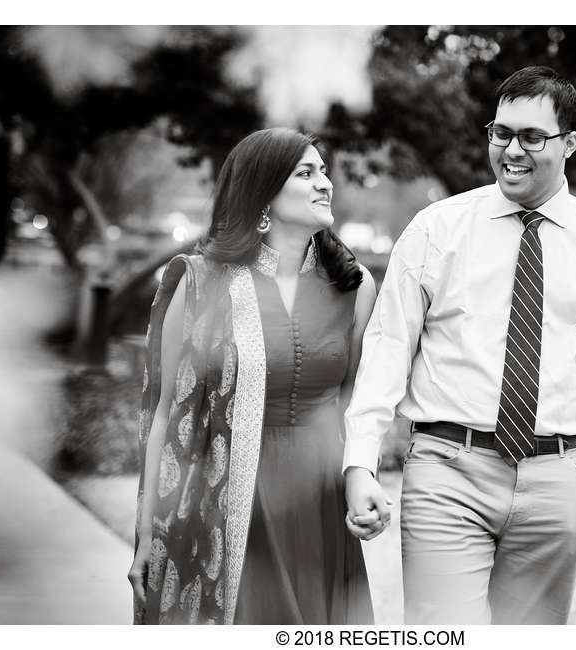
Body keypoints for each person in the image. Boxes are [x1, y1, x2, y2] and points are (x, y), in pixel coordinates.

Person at [343, 66, 576, 624]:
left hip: (559, 481)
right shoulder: (436, 230)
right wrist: (360, 463)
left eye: (531, 137)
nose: (511, 150)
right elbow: (387, 350)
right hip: (447, 471)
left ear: (570, 144)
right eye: (500, 133)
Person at [128, 127, 377, 625]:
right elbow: (164, 417)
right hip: (220, 503)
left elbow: (354, 409)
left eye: (323, 171)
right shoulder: (201, 283)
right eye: (306, 173)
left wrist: (362, 480)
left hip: (319, 504)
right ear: (262, 194)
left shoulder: (354, 286)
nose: (324, 183)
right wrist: (145, 532)